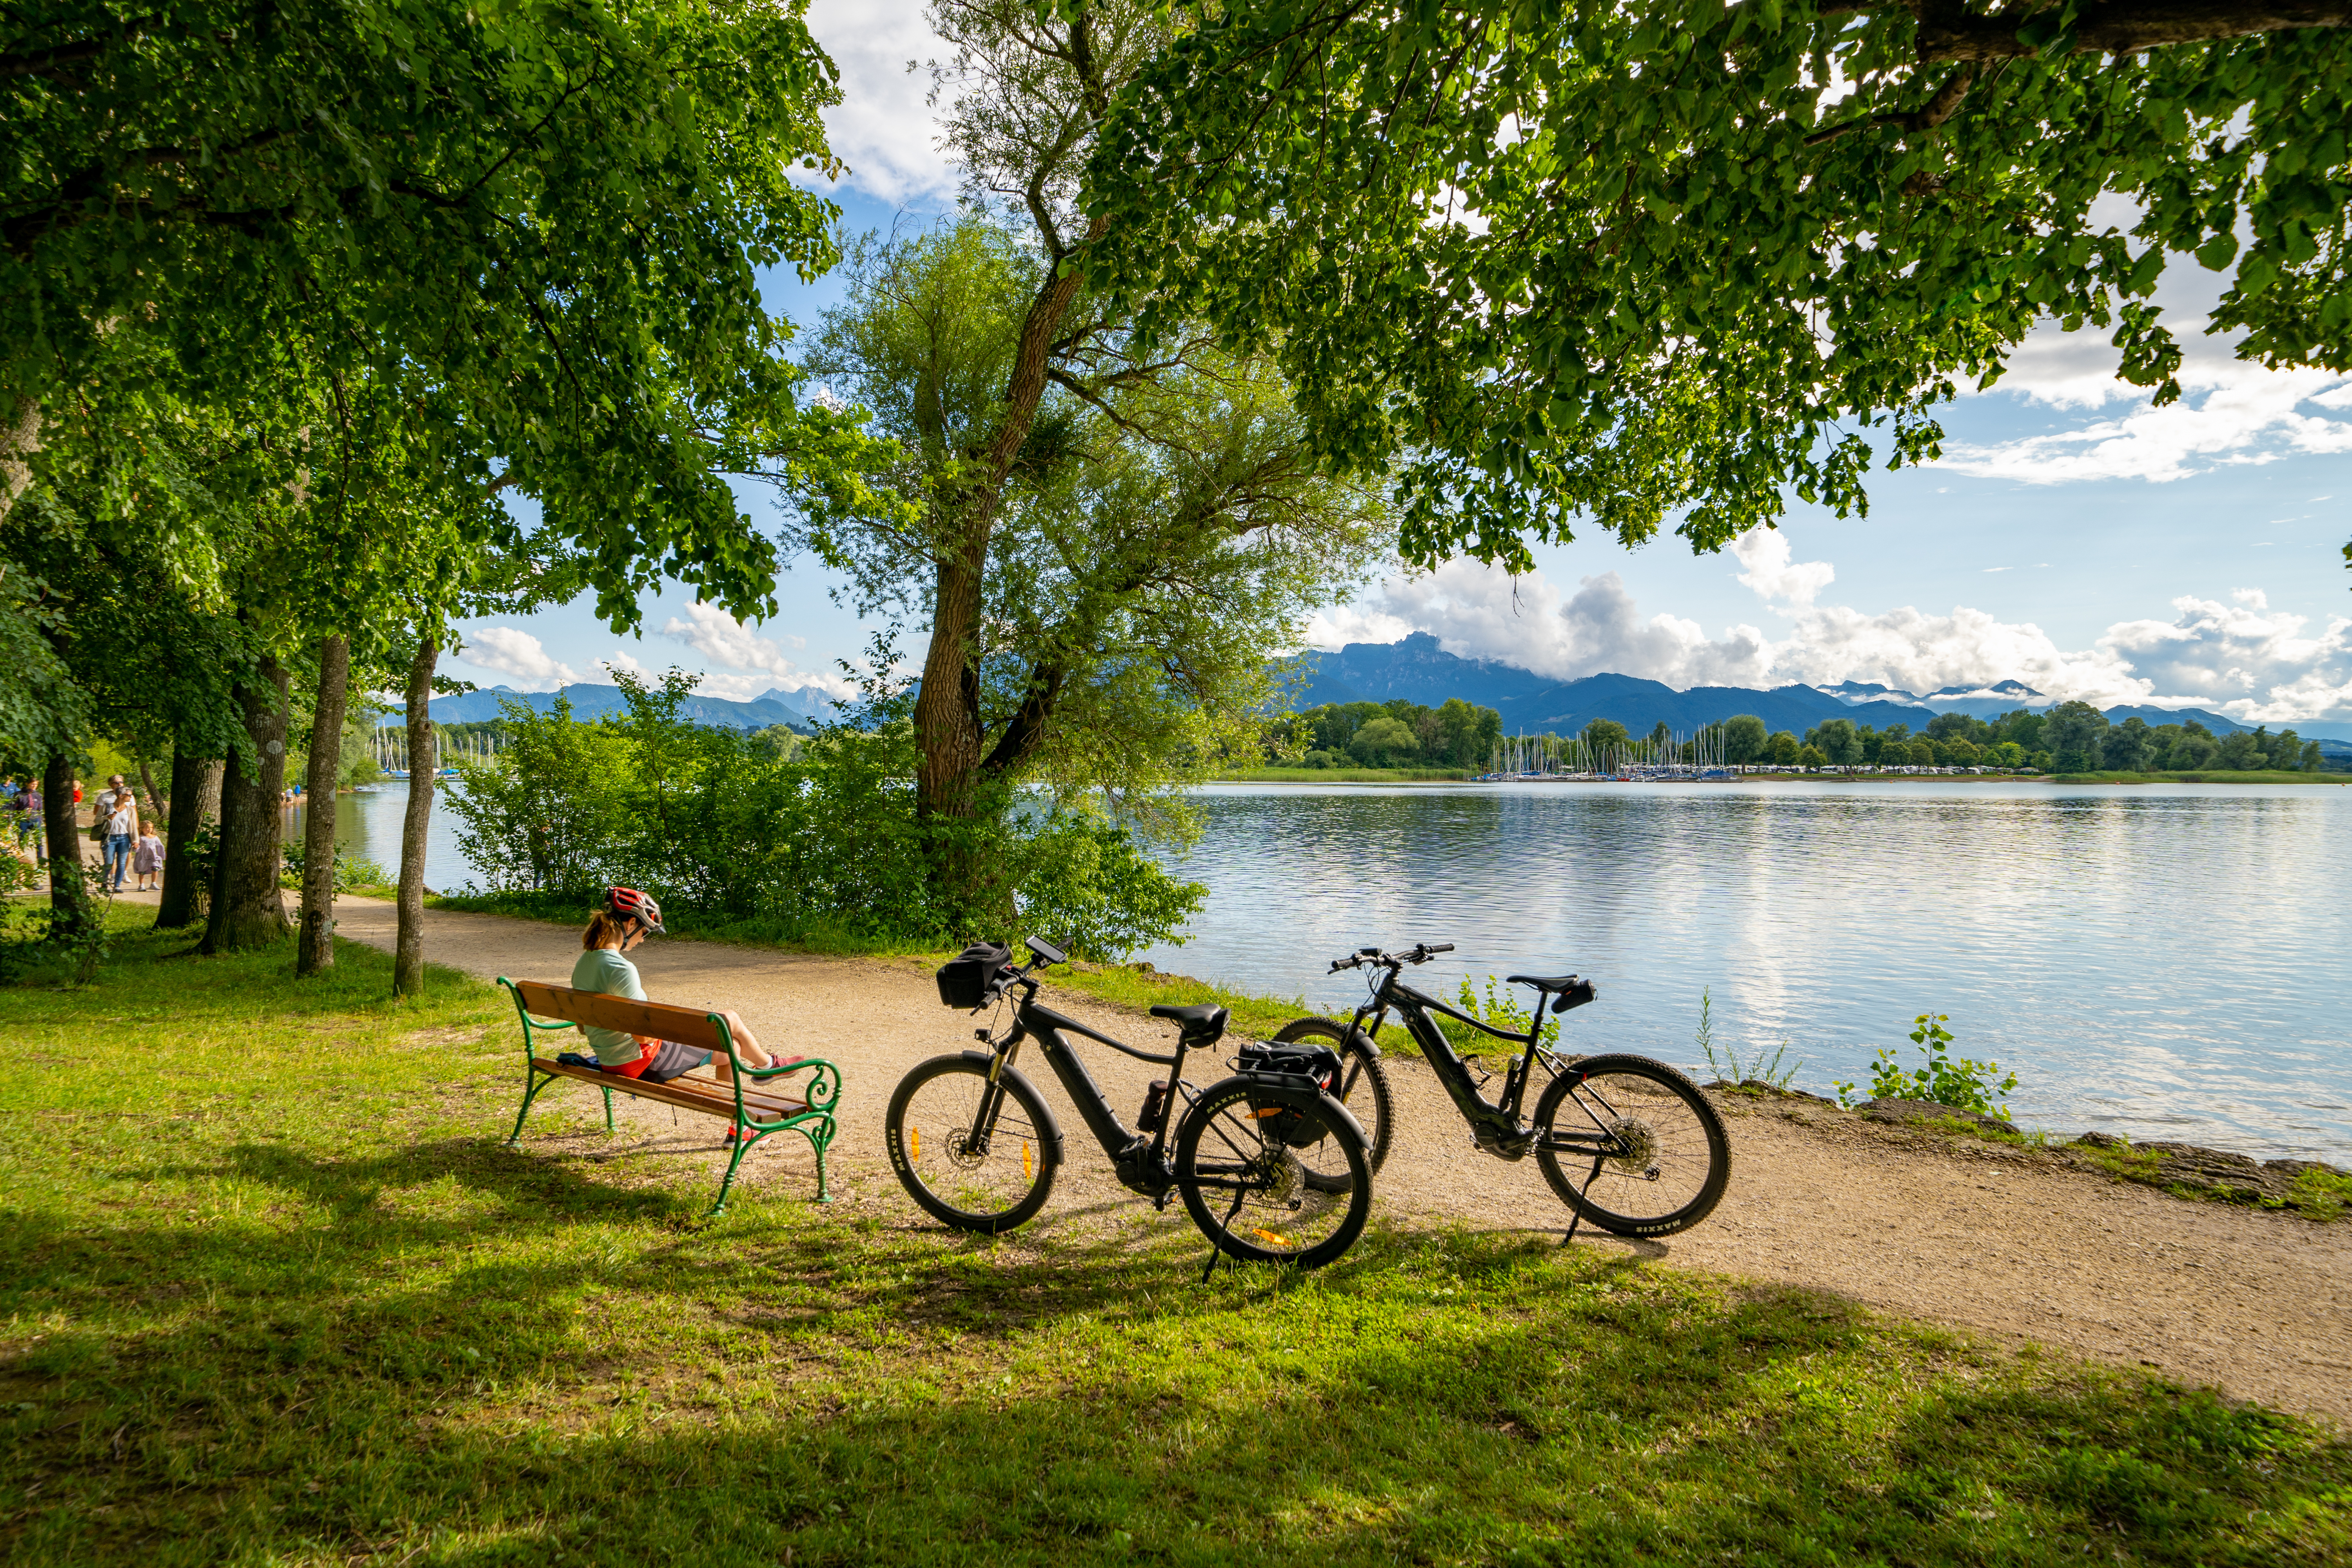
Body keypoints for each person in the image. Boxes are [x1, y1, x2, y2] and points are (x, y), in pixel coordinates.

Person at [571, 887, 779, 1137]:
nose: (643, 939)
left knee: (729, 1044)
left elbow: (583, 1026)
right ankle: (744, 1121)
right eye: (645, 932)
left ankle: (754, 1095)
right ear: (632, 922)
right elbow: (643, 1038)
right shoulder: (621, 968)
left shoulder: (585, 962)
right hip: (639, 1062)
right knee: (730, 1041)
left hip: (609, 1059)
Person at [96, 774, 140, 892]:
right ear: (121, 796)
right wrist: (107, 817)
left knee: (121, 864)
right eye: (129, 795)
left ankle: (117, 886)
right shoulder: (107, 807)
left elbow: (133, 827)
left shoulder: (130, 810)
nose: (131, 797)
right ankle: (104, 884)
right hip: (109, 838)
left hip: (124, 839)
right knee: (109, 863)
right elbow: (97, 820)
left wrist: (136, 840)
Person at [131, 822, 165, 892]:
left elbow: (160, 846)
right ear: (142, 829)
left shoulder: (155, 837)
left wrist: (162, 856)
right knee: (142, 871)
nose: (150, 829)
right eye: (148, 828)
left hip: (153, 857)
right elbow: (137, 846)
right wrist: (135, 848)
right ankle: (142, 885)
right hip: (142, 857)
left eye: (151, 828)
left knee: (155, 868)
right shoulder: (140, 837)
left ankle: (153, 883)